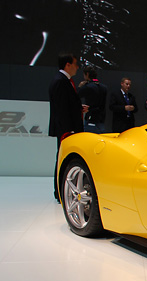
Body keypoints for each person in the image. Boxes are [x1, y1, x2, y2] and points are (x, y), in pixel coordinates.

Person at [48, 52, 87, 201]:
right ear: (68, 65)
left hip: (68, 128)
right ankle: (59, 193)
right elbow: (61, 109)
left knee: (65, 159)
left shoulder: (64, 81)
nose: (77, 67)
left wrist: (78, 108)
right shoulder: (60, 81)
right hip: (67, 130)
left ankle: (63, 192)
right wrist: (68, 130)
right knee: (63, 160)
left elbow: (67, 105)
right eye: (75, 64)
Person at [77, 65, 107, 133]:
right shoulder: (104, 88)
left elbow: (76, 96)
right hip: (101, 118)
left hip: (91, 117)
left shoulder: (88, 87)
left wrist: (79, 87)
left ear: (87, 74)